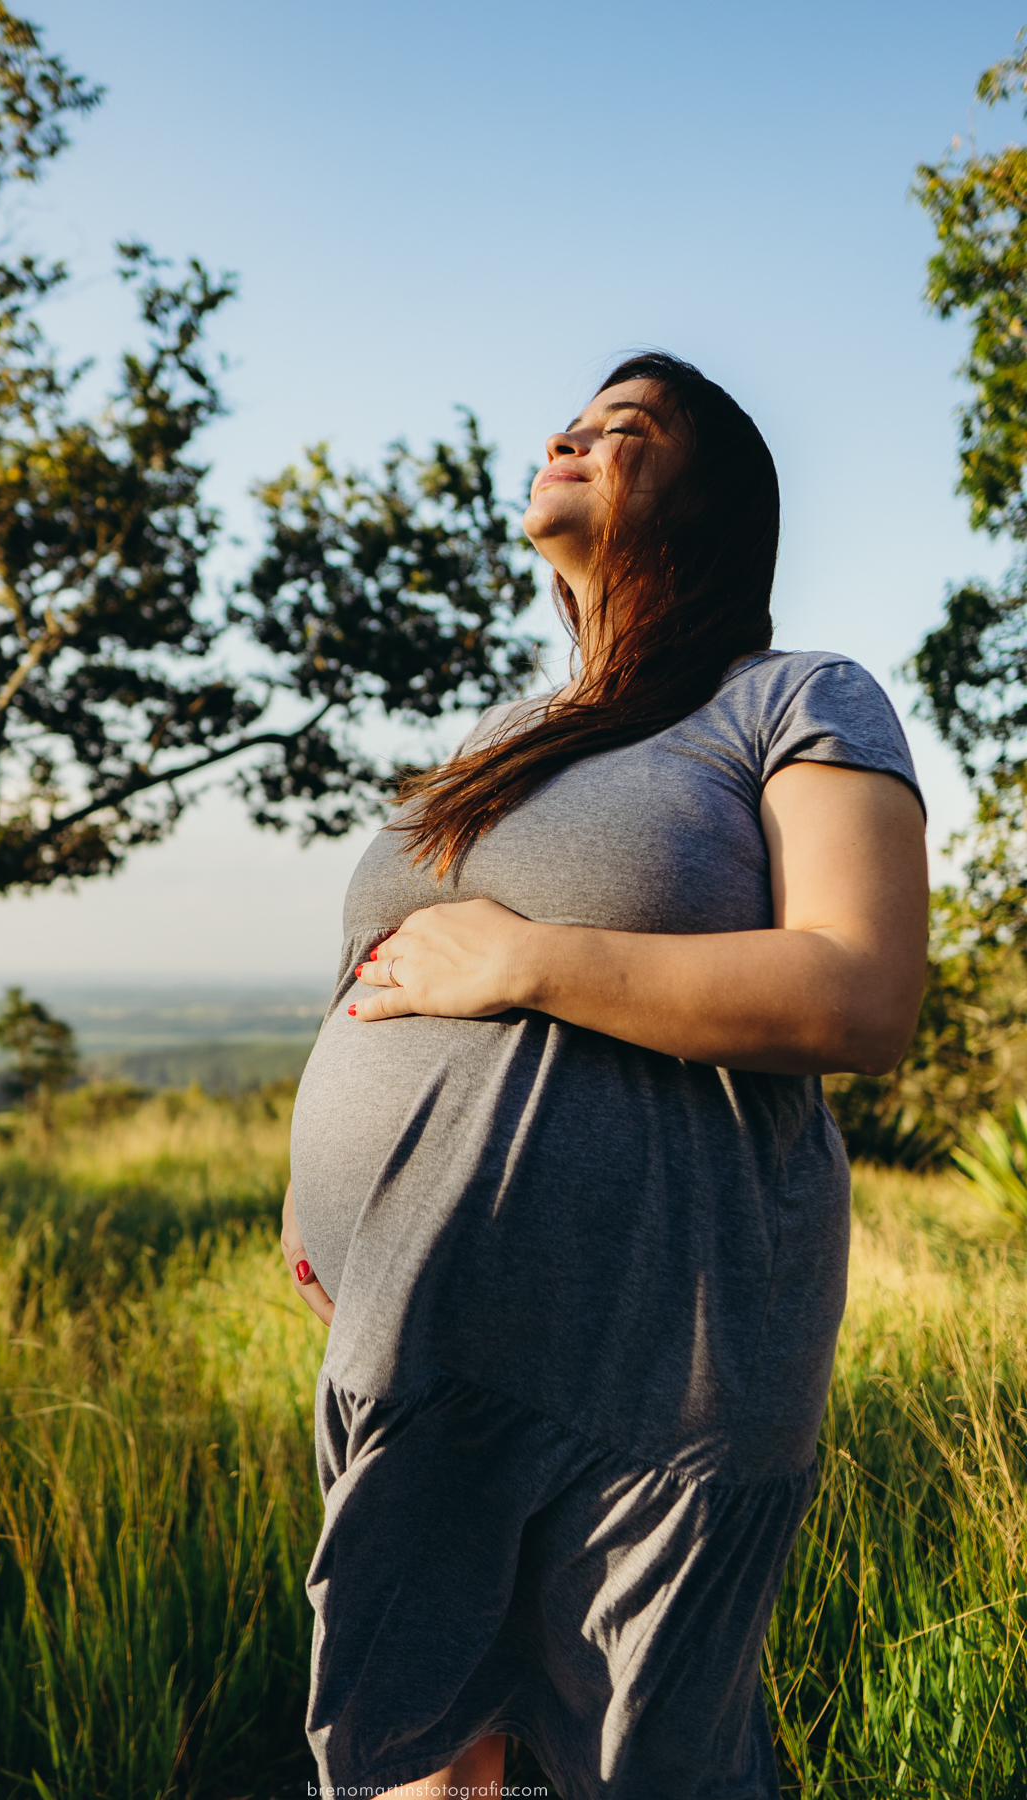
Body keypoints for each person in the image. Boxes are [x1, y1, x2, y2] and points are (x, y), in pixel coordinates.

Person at [280, 352, 928, 1800]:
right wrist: (317, 1198)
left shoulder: (790, 699)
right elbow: (384, 967)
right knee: (420, 1768)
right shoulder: (502, 741)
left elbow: (863, 987)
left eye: (623, 432)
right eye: (569, 423)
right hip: (416, 1349)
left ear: (711, 506)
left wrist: (523, 965)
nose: (570, 438)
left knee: (644, 1771)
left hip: (656, 1367)